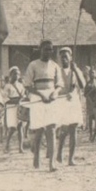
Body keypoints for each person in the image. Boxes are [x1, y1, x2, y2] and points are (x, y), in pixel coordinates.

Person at [23, 40, 63, 170]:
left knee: (51, 129)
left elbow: (59, 84)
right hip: (38, 98)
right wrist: (41, 95)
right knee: (39, 130)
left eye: (51, 49)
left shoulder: (55, 66)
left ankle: (52, 163)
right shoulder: (33, 65)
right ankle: (36, 157)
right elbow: (28, 86)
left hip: (51, 99)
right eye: (46, 49)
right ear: (40, 50)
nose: (49, 52)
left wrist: (55, 93)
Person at [55, 47, 86, 166]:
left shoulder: (76, 70)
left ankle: (71, 158)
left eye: (66, 57)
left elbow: (83, 85)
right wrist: (63, 93)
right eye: (61, 57)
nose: (64, 59)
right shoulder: (57, 71)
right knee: (64, 130)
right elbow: (56, 87)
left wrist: (76, 70)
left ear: (70, 58)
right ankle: (59, 153)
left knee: (73, 129)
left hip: (73, 102)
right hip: (62, 102)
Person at [3, 66, 27, 152]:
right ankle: (7, 145)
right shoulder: (7, 86)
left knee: (20, 127)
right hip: (11, 108)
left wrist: (23, 99)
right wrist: (15, 100)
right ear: (10, 75)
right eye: (14, 74)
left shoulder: (21, 85)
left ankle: (20, 147)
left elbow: (24, 95)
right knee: (12, 128)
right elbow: (5, 99)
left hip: (19, 107)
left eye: (17, 74)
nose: (16, 75)